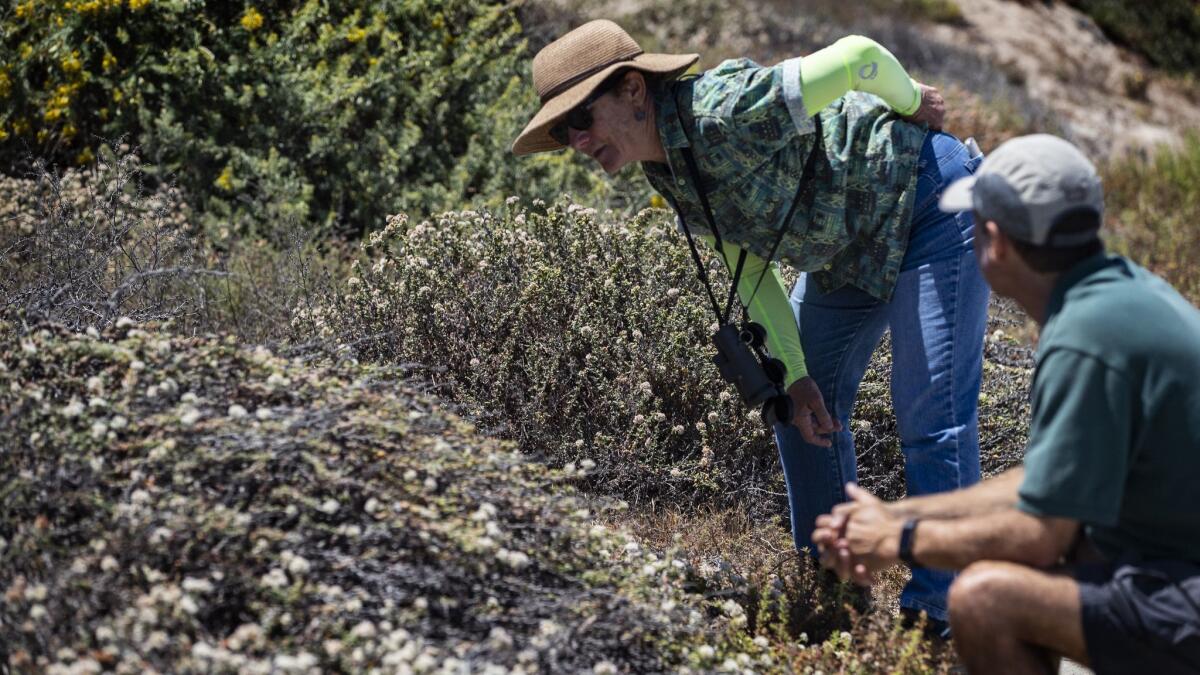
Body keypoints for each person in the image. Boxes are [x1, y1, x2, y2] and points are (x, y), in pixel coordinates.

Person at [512, 19, 989, 627]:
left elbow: (856, 56)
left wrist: (912, 101)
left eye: (580, 118)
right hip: (848, 250)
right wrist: (792, 376)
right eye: (561, 131)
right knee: (799, 410)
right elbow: (750, 269)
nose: (575, 139)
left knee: (931, 416)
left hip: (927, 206)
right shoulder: (667, 167)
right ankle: (831, 591)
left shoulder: (725, 111)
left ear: (633, 89)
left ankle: (939, 620)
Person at [812, 134, 1200, 673]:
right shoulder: (1122, 297)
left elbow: (1041, 537)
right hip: (1173, 572)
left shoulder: (1085, 337)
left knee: (985, 598)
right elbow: (1042, 486)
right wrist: (895, 513)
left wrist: (899, 539)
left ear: (993, 241)